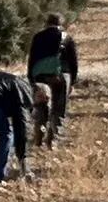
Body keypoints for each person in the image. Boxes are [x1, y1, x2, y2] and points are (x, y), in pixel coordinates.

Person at [26, 11, 78, 146]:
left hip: (41, 76)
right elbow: (73, 62)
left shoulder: (38, 37)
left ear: (47, 23)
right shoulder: (67, 38)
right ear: (61, 23)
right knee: (58, 109)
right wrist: (73, 81)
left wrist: (31, 79)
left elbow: (32, 59)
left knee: (42, 107)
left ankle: (39, 136)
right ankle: (52, 139)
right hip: (61, 77)